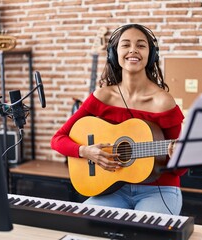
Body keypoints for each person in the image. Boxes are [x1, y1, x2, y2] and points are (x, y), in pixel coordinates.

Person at [50, 24, 187, 215]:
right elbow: (58, 139)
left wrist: (180, 157)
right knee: (83, 228)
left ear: (151, 54)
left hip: (158, 190)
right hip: (112, 189)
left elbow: (178, 169)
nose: (133, 50)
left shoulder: (163, 102)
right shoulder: (102, 97)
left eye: (141, 45)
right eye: (126, 45)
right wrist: (86, 151)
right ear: (114, 54)